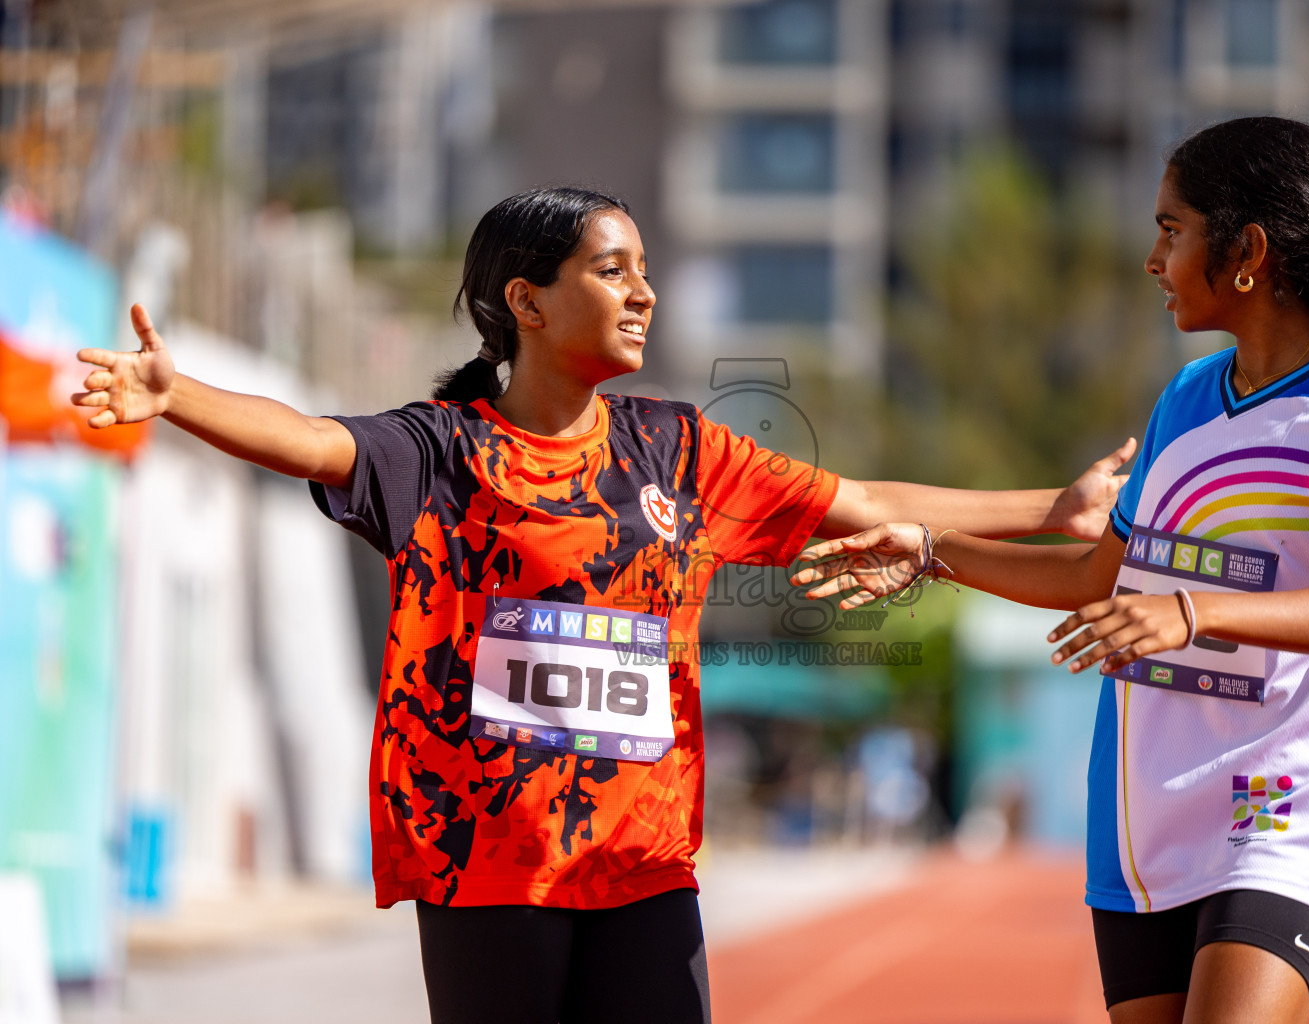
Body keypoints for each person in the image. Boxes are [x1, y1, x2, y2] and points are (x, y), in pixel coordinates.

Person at [73, 186, 1133, 1024]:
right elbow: (314, 437)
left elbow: (863, 502)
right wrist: (177, 398)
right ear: (525, 301)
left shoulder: (677, 448)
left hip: (642, 865)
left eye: (645, 272)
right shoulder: (441, 448)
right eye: (611, 270)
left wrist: (1059, 506)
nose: (644, 293)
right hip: (485, 866)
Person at [792, 117, 1309, 1024]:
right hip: (1146, 798)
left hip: (1284, 793)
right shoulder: (1185, 398)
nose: (1152, 258)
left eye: (1173, 231)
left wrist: (1191, 611)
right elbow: (1099, 579)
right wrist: (932, 552)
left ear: (1247, 251)